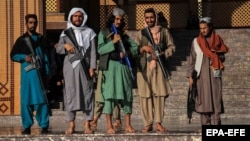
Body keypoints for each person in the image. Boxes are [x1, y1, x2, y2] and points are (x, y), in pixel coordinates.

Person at [56, 7, 97, 134]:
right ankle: (71, 124)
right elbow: (58, 49)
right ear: (71, 17)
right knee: (70, 94)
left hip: (85, 68)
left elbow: (93, 52)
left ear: (83, 17)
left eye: (80, 16)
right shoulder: (65, 33)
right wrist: (64, 45)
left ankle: (87, 125)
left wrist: (92, 67)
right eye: (75, 16)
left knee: (88, 95)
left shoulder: (90, 32)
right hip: (70, 68)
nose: (78, 18)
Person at [97, 7, 137, 134]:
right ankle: (109, 126)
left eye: (121, 19)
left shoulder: (124, 35)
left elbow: (135, 48)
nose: (118, 22)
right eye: (117, 19)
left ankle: (128, 125)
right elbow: (100, 50)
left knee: (127, 96)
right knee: (109, 96)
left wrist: (127, 53)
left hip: (124, 68)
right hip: (110, 68)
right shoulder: (103, 33)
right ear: (112, 19)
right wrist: (113, 43)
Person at [135, 8, 175, 133]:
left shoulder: (164, 32)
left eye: (151, 17)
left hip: (159, 67)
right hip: (144, 68)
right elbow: (134, 49)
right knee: (145, 96)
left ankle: (158, 123)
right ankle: (147, 124)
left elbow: (172, 47)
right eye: (147, 18)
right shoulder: (141, 33)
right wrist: (143, 48)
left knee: (159, 95)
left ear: (155, 18)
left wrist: (163, 54)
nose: (149, 20)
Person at [10, 14, 50, 134]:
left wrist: (47, 73)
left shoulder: (42, 39)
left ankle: (44, 125)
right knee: (26, 101)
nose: (32, 25)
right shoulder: (21, 40)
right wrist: (24, 57)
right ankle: (27, 126)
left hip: (39, 76)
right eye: (30, 23)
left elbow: (46, 58)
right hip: (27, 77)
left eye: (34, 23)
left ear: (37, 24)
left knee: (42, 101)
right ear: (26, 24)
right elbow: (13, 55)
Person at [186, 17, 229, 130]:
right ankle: (205, 125)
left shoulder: (217, 39)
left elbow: (223, 55)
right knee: (202, 99)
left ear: (210, 27)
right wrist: (190, 76)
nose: (203, 30)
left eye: (205, 28)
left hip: (214, 72)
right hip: (201, 74)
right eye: (201, 28)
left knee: (215, 98)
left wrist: (217, 55)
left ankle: (216, 124)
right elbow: (192, 59)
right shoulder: (196, 42)